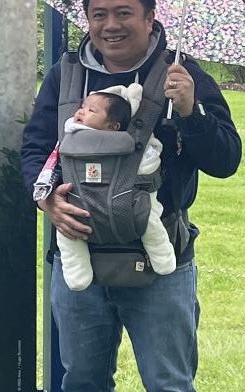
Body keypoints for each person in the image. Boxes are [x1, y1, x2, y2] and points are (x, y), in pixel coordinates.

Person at [19, 0, 241, 392]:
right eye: (98, 14)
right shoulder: (67, 76)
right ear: (85, 18)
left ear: (149, 17)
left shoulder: (181, 75)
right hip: (78, 260)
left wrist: (190, 112)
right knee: (83, 382)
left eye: (123, 13)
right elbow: (34, 147)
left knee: (170, 388)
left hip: (160, 264)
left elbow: (226, 160)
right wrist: (46, 200)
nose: (110, 25)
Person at [31, 82, 177, 290]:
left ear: (113, 127)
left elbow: (150, 159)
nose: (81, 112)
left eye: (91, 110)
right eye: (82, 107)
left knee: (149, 218)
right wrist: (46, 197)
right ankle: (77, 273)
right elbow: (42, 154)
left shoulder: (128, 139)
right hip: (77, 203)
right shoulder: (70, 131)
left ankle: (162, 257)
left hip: (129, 204)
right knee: (69, 231)